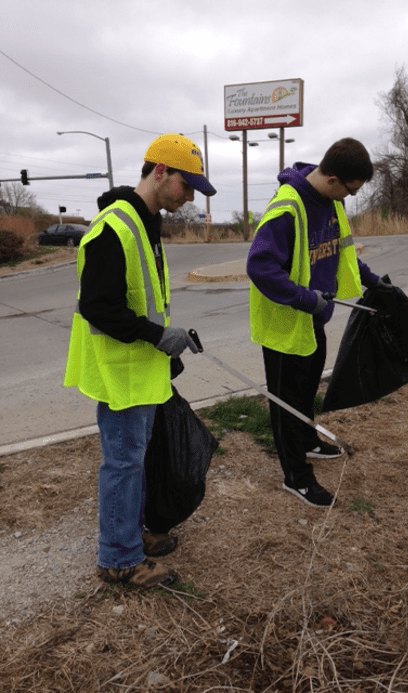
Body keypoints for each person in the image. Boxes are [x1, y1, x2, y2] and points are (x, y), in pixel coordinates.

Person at [63, 134, 216, 587]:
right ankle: (119, 559)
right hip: (119, 369)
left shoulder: (145, 221)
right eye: (186, 186)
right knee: (124, 462)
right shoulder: (115, 226)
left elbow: (143, 300)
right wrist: (156, 335)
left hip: (139, 365)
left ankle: (129, 536)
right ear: (160, 172)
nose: (188, 197)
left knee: (135, 458)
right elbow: (99, 306)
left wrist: (165, 342)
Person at [247, 137, 386, 508]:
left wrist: (375, 282)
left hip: (313, 319)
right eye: (350, 190)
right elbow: (259, 266)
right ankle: (296, 476)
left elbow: (345, 252)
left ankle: (308, 441)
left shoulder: (331, 203)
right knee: (287, 401)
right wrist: (308, 299)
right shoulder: (288, 208)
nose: (350, 198)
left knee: (307, 389)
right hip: (284, 325)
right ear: (332, 178)